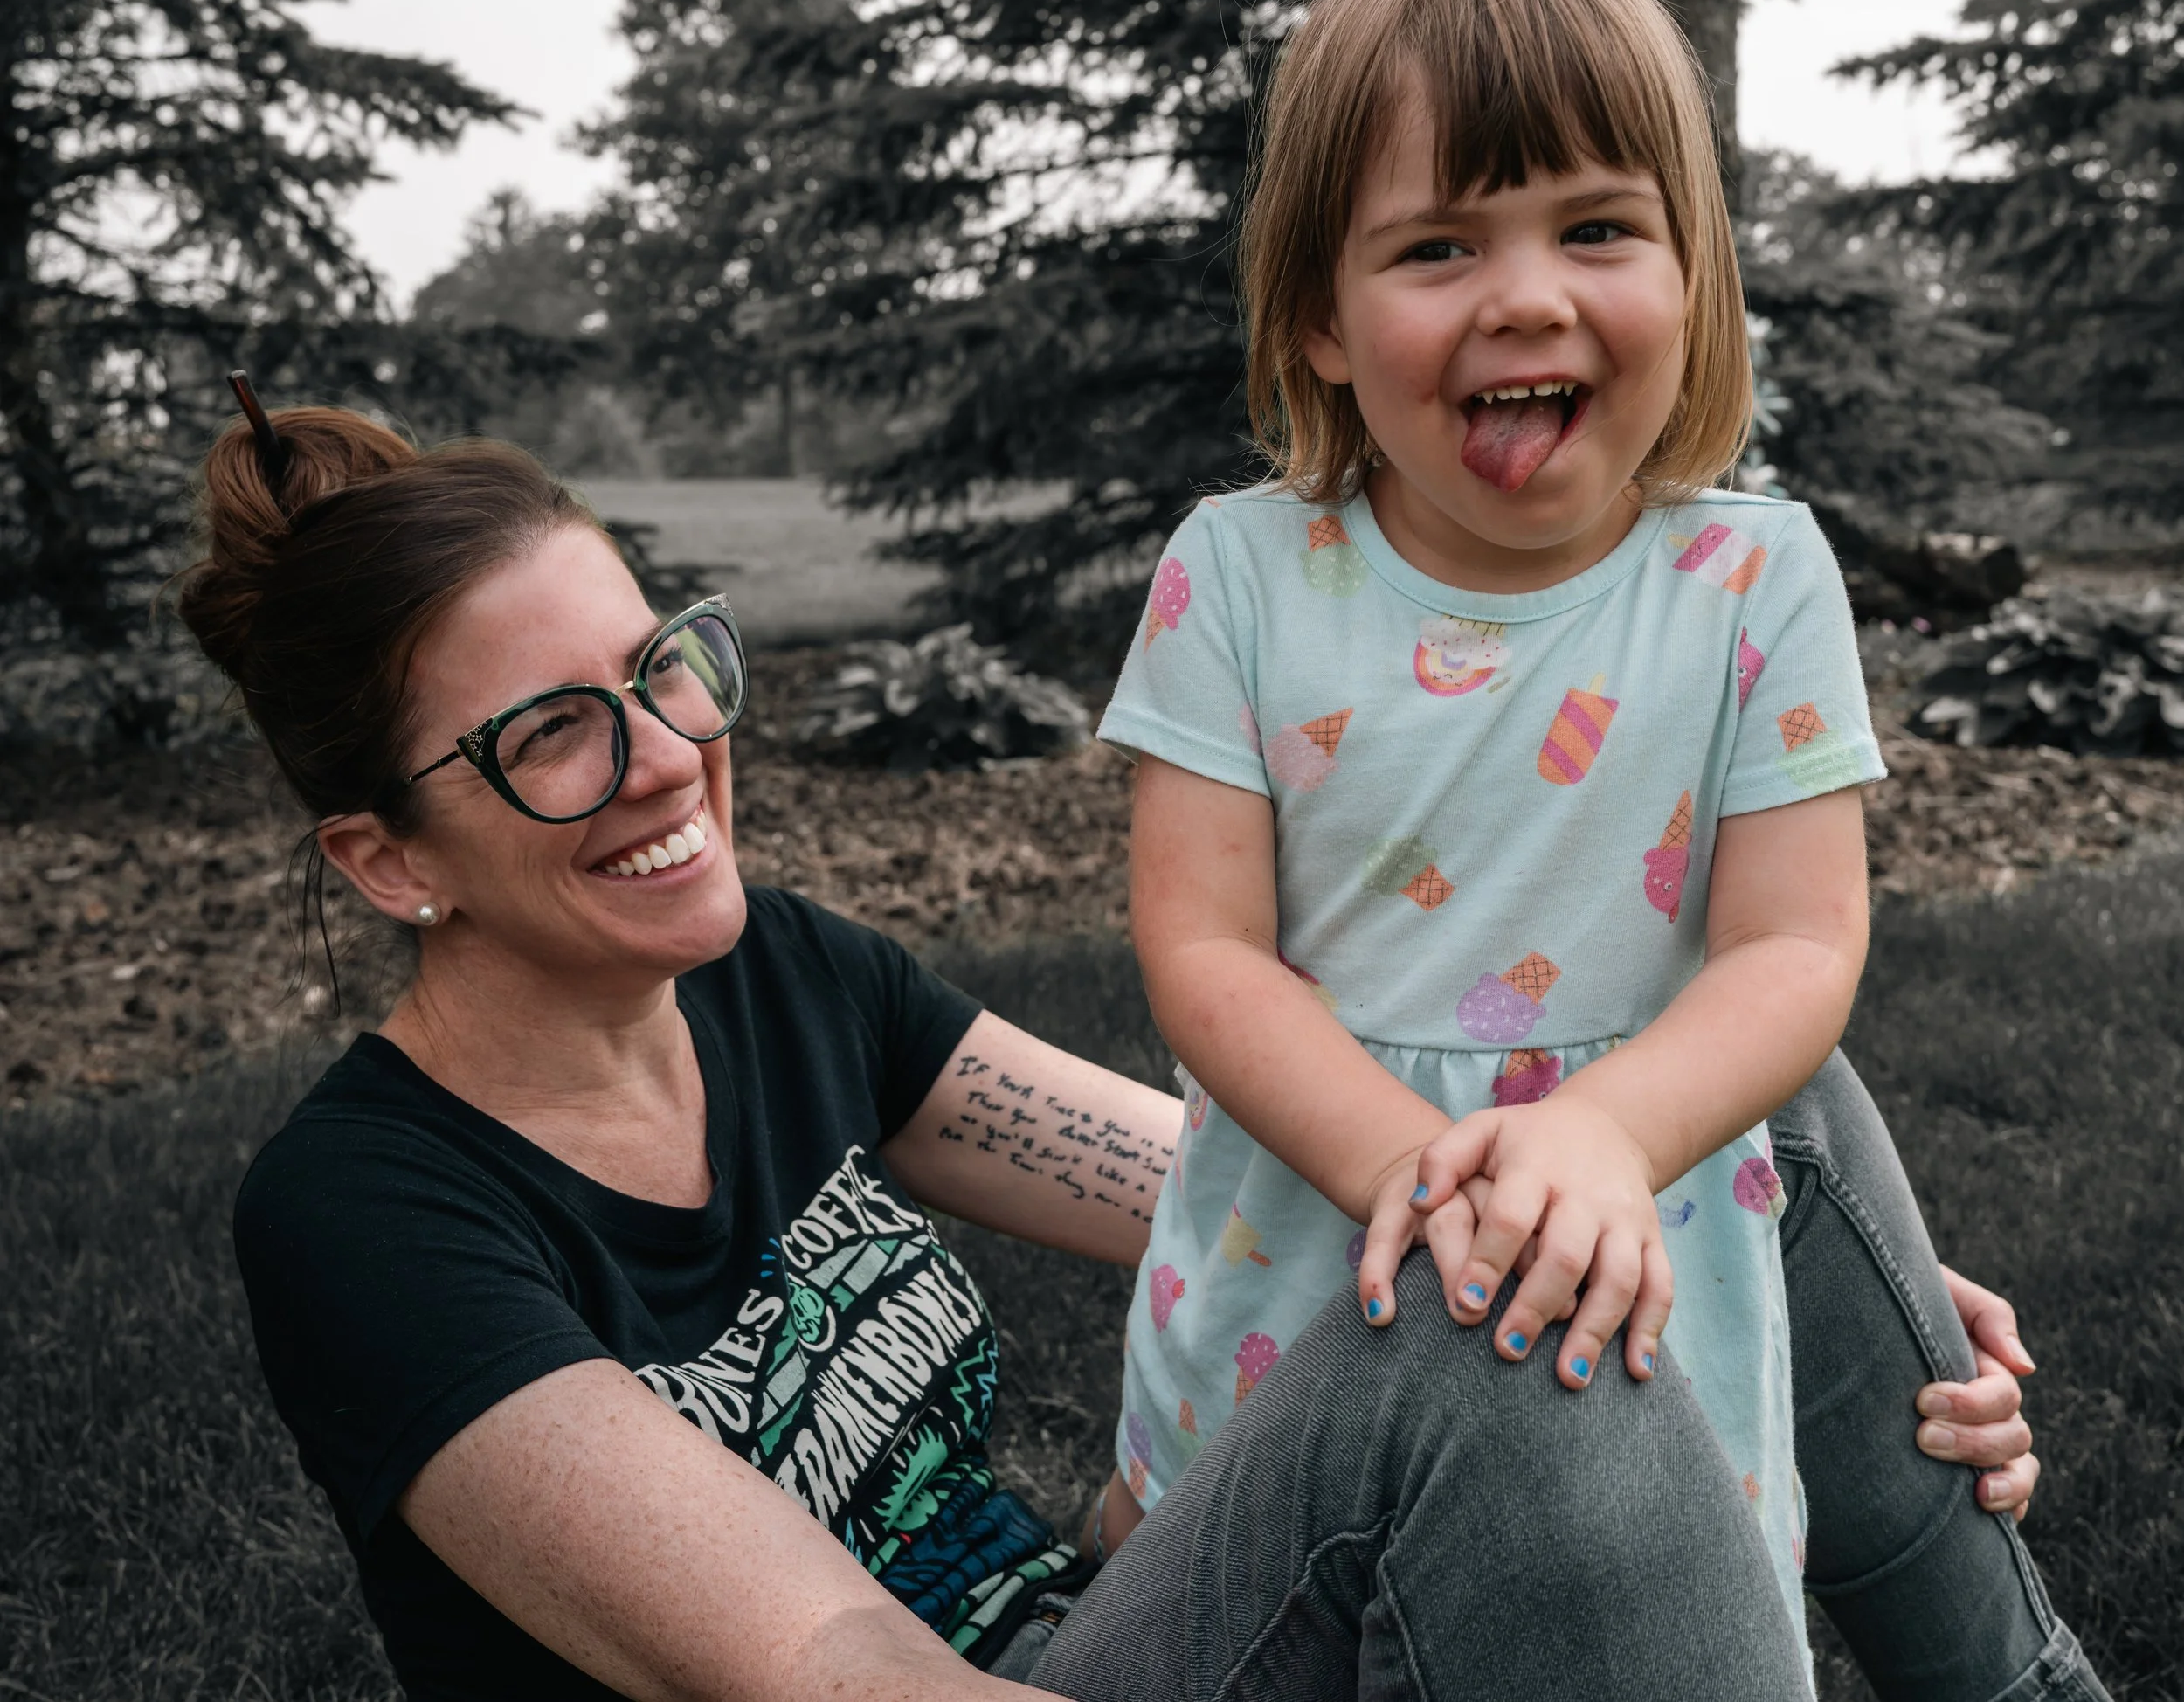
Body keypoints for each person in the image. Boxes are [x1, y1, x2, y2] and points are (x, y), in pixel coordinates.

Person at [176, 408, 2084, 1701]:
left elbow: (1227, 1176)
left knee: (1718, 1118)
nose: (668, 750)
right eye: (550, 735)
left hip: (1095, 1618)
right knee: (1488, 1323)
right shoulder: (364, 1212)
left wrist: (1719, 1223)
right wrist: (1542, 1251)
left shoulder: (780, 981)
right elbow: (823, 1657)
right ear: (385, 853)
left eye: (662, 661)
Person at [1081, 0, 2105, 1698]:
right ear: (1319, 317)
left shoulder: (1748, 575)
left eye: (1595, 227)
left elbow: (1793, 940)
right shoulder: (1236, 573)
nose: (1525, 295)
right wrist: (1425, 1167)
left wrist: (1602, 1136)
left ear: (1694, 273)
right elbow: (1200, 949)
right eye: (1434, 246)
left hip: (1635, 1207)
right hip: (1312, 1248)